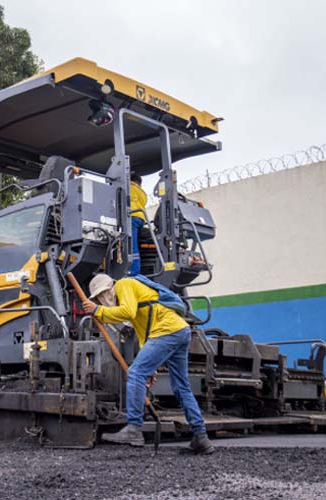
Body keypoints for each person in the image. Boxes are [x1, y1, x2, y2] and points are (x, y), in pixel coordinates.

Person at [82, 273, 214, 454]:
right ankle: (201, 437)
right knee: (181, 387)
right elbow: (144, 334)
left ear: (106, 290)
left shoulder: (123, 284)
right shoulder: (133, 299)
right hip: (178, 330)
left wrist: (97, 310)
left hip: (167, 331)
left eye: (100, 297)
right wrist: (151, 369)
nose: (101, 301)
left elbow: (127, 312)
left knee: (135, 373)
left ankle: (134, 428)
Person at [129, 172, 147, 275]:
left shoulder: (129, 188)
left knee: (132, 246)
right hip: (141, 218)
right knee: (135, 244)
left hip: (132, 217)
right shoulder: (142, 193)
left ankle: (134, 272)